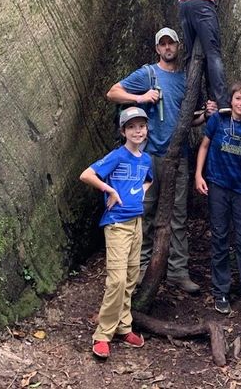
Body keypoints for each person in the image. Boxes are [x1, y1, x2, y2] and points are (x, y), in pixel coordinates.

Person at [106, 27, 202, 293]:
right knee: (145, 212)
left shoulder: (187, 80)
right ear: (157, 48)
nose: (168, 48)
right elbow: (113, 93)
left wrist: (206, 115)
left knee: (178, 216)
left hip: (178, 157)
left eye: (172, 43)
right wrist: (141, 97)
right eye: (163, 44)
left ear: (179, 47)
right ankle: (140, 270)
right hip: (147, 157)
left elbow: (188, 119)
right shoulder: (147, 74)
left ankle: (177, 271)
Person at [79, 107, 153, 359]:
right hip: (117, 224)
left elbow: (148, 179)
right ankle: (102, 334)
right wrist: (109, 191)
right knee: (117, 280)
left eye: (141, 126)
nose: (137, 131)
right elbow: (87, 174)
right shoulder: (117, 156)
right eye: (131, 127)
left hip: (136, 223)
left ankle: (124, 326)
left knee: (131, 277)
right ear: (123, 131)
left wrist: (141, 192)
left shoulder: (145, 159)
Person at [195, 79, 241, 314]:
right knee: (220, 237)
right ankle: (221, 291)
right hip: (217, 185)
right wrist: (198, 174)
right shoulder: (217, 120)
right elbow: (204, 146)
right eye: (238, 98)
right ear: (231, 100)